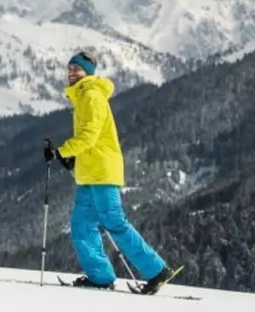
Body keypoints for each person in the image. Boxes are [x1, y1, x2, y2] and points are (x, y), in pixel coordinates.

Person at [44, 51, 181, 294]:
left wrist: (62, 152)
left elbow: (89, 136)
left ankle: (157, 270)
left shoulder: (92, 96)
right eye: (69, 69)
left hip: (103, 173)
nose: (71, 72)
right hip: (90, 174)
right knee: (81, 225)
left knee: (114, 222)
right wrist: (72, 161)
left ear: (88, 72)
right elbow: (89, 141)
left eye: (77, 68)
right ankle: (101, 276)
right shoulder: (82, 97)